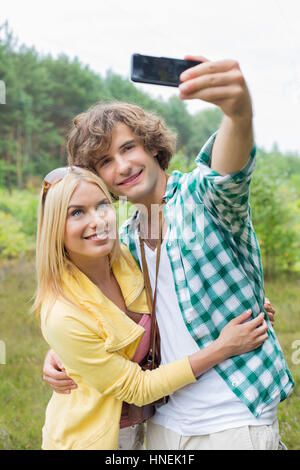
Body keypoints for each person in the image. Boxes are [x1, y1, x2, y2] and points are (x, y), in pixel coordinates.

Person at [43, 56, 294, 450]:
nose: (123, 166)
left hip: (234, 416)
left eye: (129, 148)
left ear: (153, 147)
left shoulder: (203, 199)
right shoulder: (121, 241)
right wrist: (61, 352)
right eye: (106, 161)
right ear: (97, 177)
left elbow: (226, 172)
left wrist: (238, 113)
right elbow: (94, 308)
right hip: (164, 421)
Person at [35, 166, 268, 450]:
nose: (97, 221)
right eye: (77, 213)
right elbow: (138, 388)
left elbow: (174, 293)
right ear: (54, 228)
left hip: (141, 429)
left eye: (102, 206)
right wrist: (223, 348)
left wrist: (241, 301)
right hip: (90, 439)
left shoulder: (128, 260)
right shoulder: (62, 313)